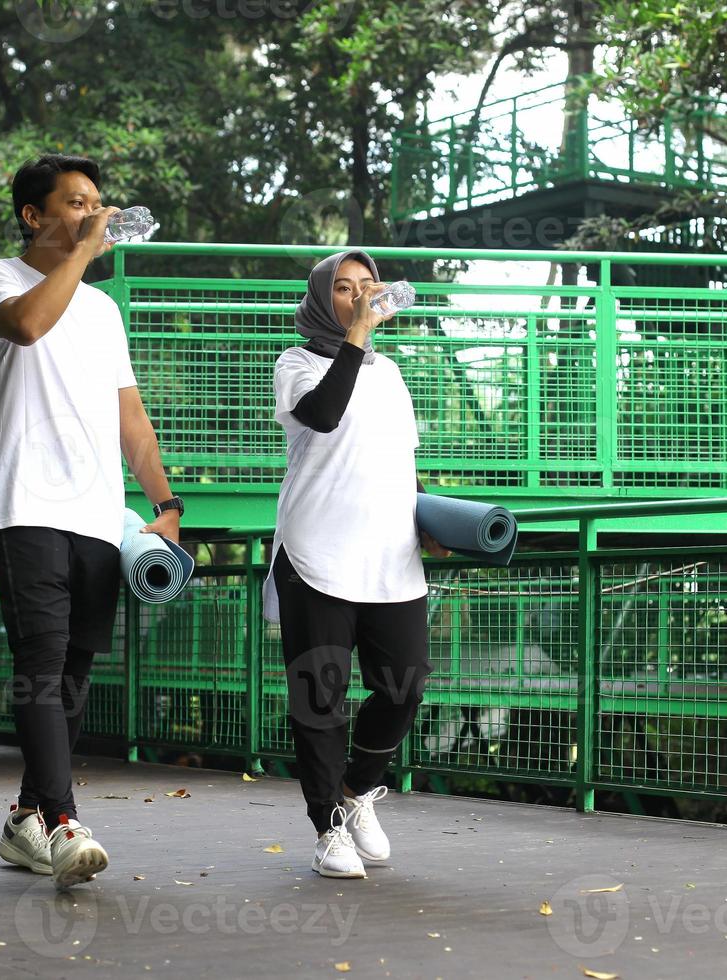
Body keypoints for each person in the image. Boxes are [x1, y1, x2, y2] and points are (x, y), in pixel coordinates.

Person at [0, 154, 182, 891]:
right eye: (76, 203)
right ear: (35, 215)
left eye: (97, 203)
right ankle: (61, 822)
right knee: (41, 666)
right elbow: (27, 327)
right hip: (26, 505)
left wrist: (167, 505)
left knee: (76, 676)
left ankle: (25, 816)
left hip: (98, 515)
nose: (94, 212)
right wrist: (86, 250)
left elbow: (131, 415)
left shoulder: (104, 310)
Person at [266, 250, 449, 879]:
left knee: (407, 681)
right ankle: (326, 827)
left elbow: (403, 463)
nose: (359, 298)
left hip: (390, 555)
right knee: (321, 696)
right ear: (323, 299)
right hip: (316, 551)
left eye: (367, 288)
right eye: (344, 290)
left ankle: (356, 790)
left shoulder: (390, 373)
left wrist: (426, 525)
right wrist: (357, 337)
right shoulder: (297, 363)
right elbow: (322, 415)